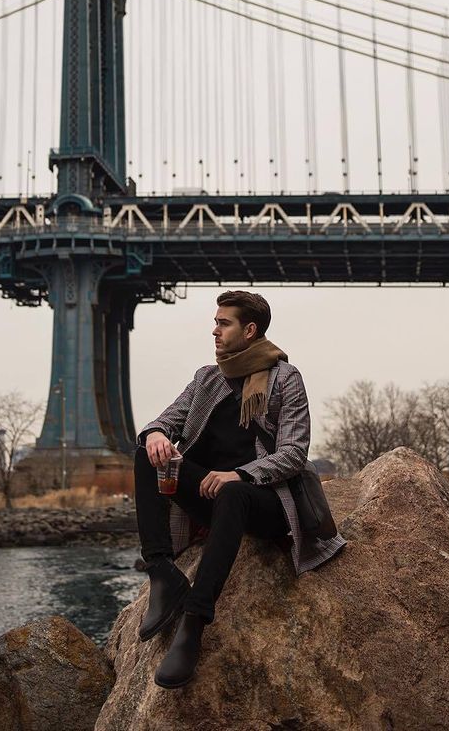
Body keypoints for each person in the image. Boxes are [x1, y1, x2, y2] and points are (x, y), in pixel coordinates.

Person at [134, 290, 346, 688]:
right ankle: (162, 573)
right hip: (210, 497)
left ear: (249, 330)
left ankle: (194, 623)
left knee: (233, 493)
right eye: (215, 322)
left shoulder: (285, 378)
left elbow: (294, 453)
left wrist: (241, 474)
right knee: (146, 449)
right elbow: (167, 420)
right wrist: (159, 434)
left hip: (263, 500)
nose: (214, 331)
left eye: (223, 323)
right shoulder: (207, 377)